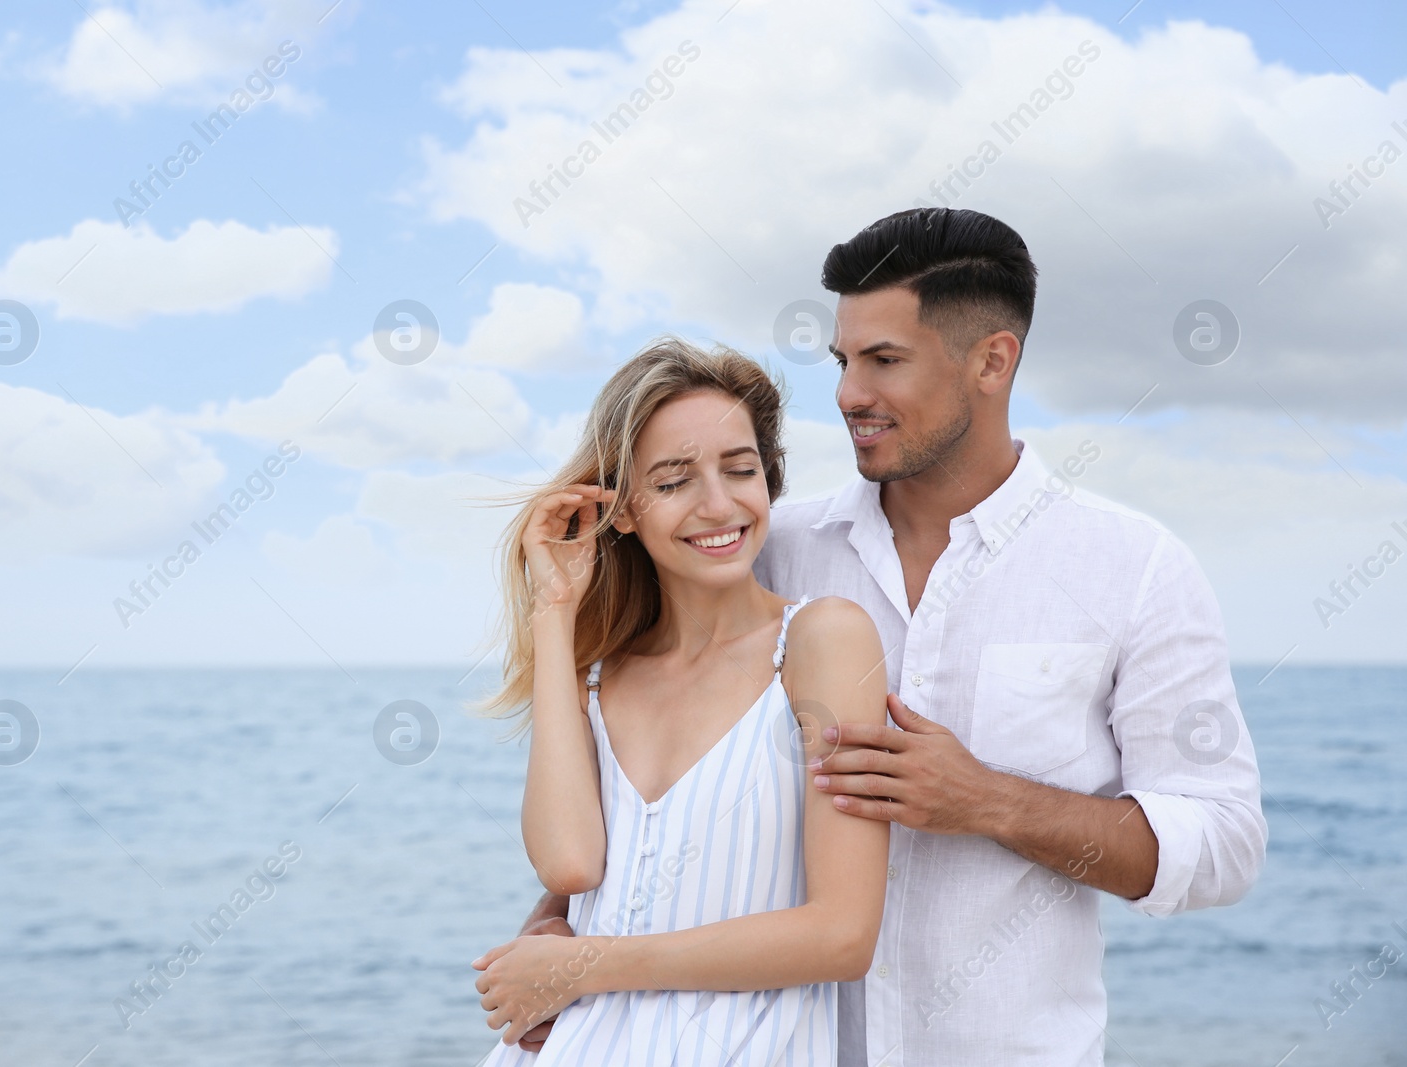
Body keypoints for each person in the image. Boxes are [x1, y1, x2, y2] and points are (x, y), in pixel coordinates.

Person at [511, 209, 1268, 1066]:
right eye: (843, 360)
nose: (846, 394)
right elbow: (669, 758)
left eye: (884, 361)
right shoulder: (772, 549)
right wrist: (570, 928)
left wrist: (987, 800)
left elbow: (1225, 843)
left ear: (992, 360)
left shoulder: (1132, 568)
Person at [472, 339, 890, 1063]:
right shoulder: (595, 674)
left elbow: (842, 935)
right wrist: (554, 613)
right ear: (624, 510)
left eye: (741, 469)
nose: (719, 504)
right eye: (674, 482)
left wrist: (581, 966)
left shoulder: (823, 639)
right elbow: (570, 866)